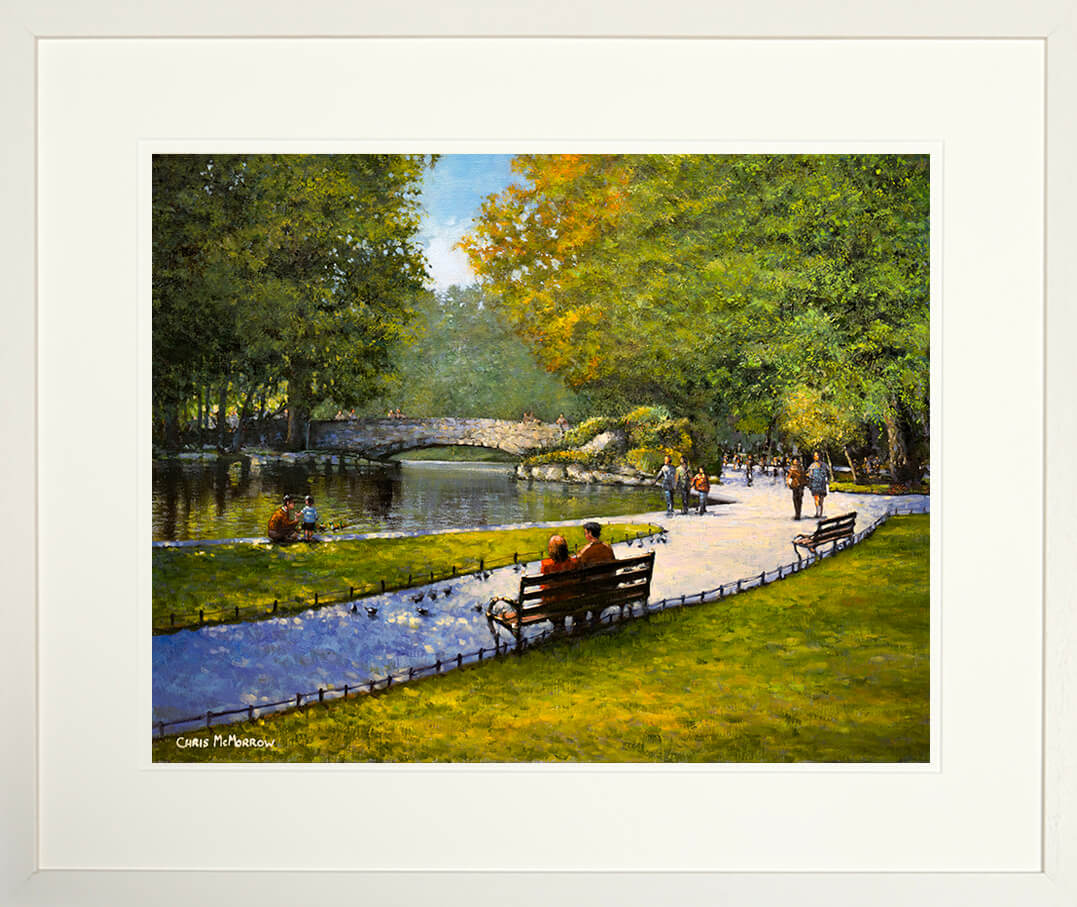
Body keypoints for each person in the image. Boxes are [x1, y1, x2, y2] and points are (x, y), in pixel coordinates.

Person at [540, 534, 577, 632]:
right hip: (571, 601)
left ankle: (558, 626)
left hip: (554, 604)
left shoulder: (546, 565)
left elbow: (544, 587)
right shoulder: (573, 562)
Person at [806, 451, 830, 518]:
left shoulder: (824, 465)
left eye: (818, 455)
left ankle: (820, 514)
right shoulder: (812, 465)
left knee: (821, 500)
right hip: (815, 484)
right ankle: (817, 512)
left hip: (822, 484)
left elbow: (828, 474)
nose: (817, 457)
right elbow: (809, 474)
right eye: (816, 455)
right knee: (816, 499)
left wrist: (827, 480)